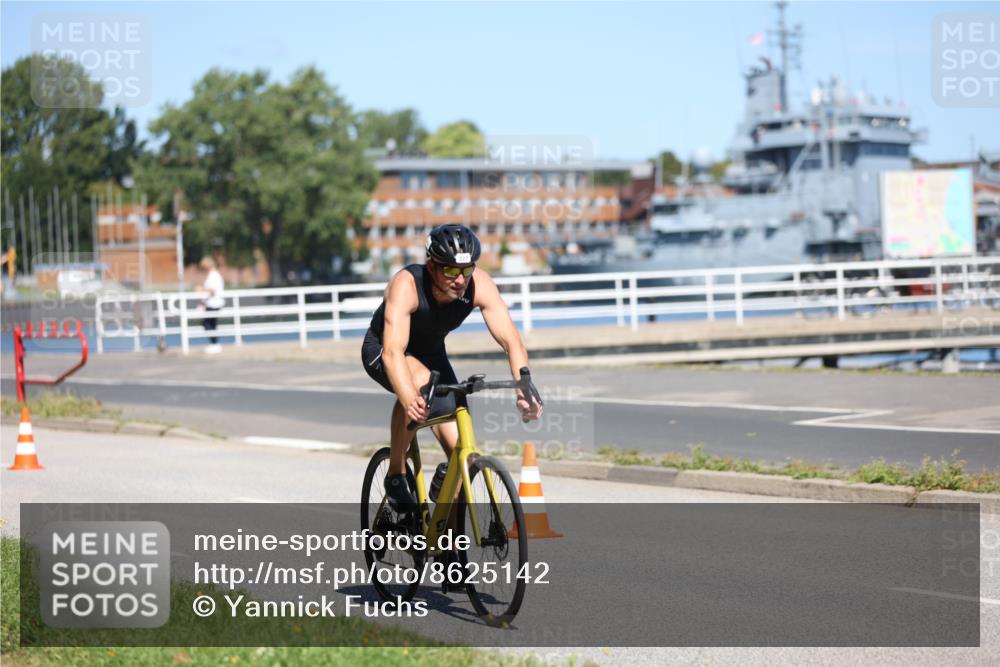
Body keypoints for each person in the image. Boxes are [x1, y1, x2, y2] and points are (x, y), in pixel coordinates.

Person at [362, 224, 543, 513]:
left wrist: (524, 386)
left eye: (466, 270)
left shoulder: (479, 284)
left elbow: (512, 341)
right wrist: (409, 398)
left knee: (463, 457)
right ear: (432, 266)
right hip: (386, 351)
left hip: (431, 355)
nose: (460, 280)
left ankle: (448, 548)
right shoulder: (406, 285)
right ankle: (396, 474)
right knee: (418, 386)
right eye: (450, 272)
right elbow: (394, 353)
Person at [198, 256, 225, 354]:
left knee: (208, 323)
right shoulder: (213, 274)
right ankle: (214, 343)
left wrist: (201, 289)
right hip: (210, 303)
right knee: (210, 323)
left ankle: (215, 344)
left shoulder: (214, 275)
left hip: (214, 303)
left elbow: (213, 289)